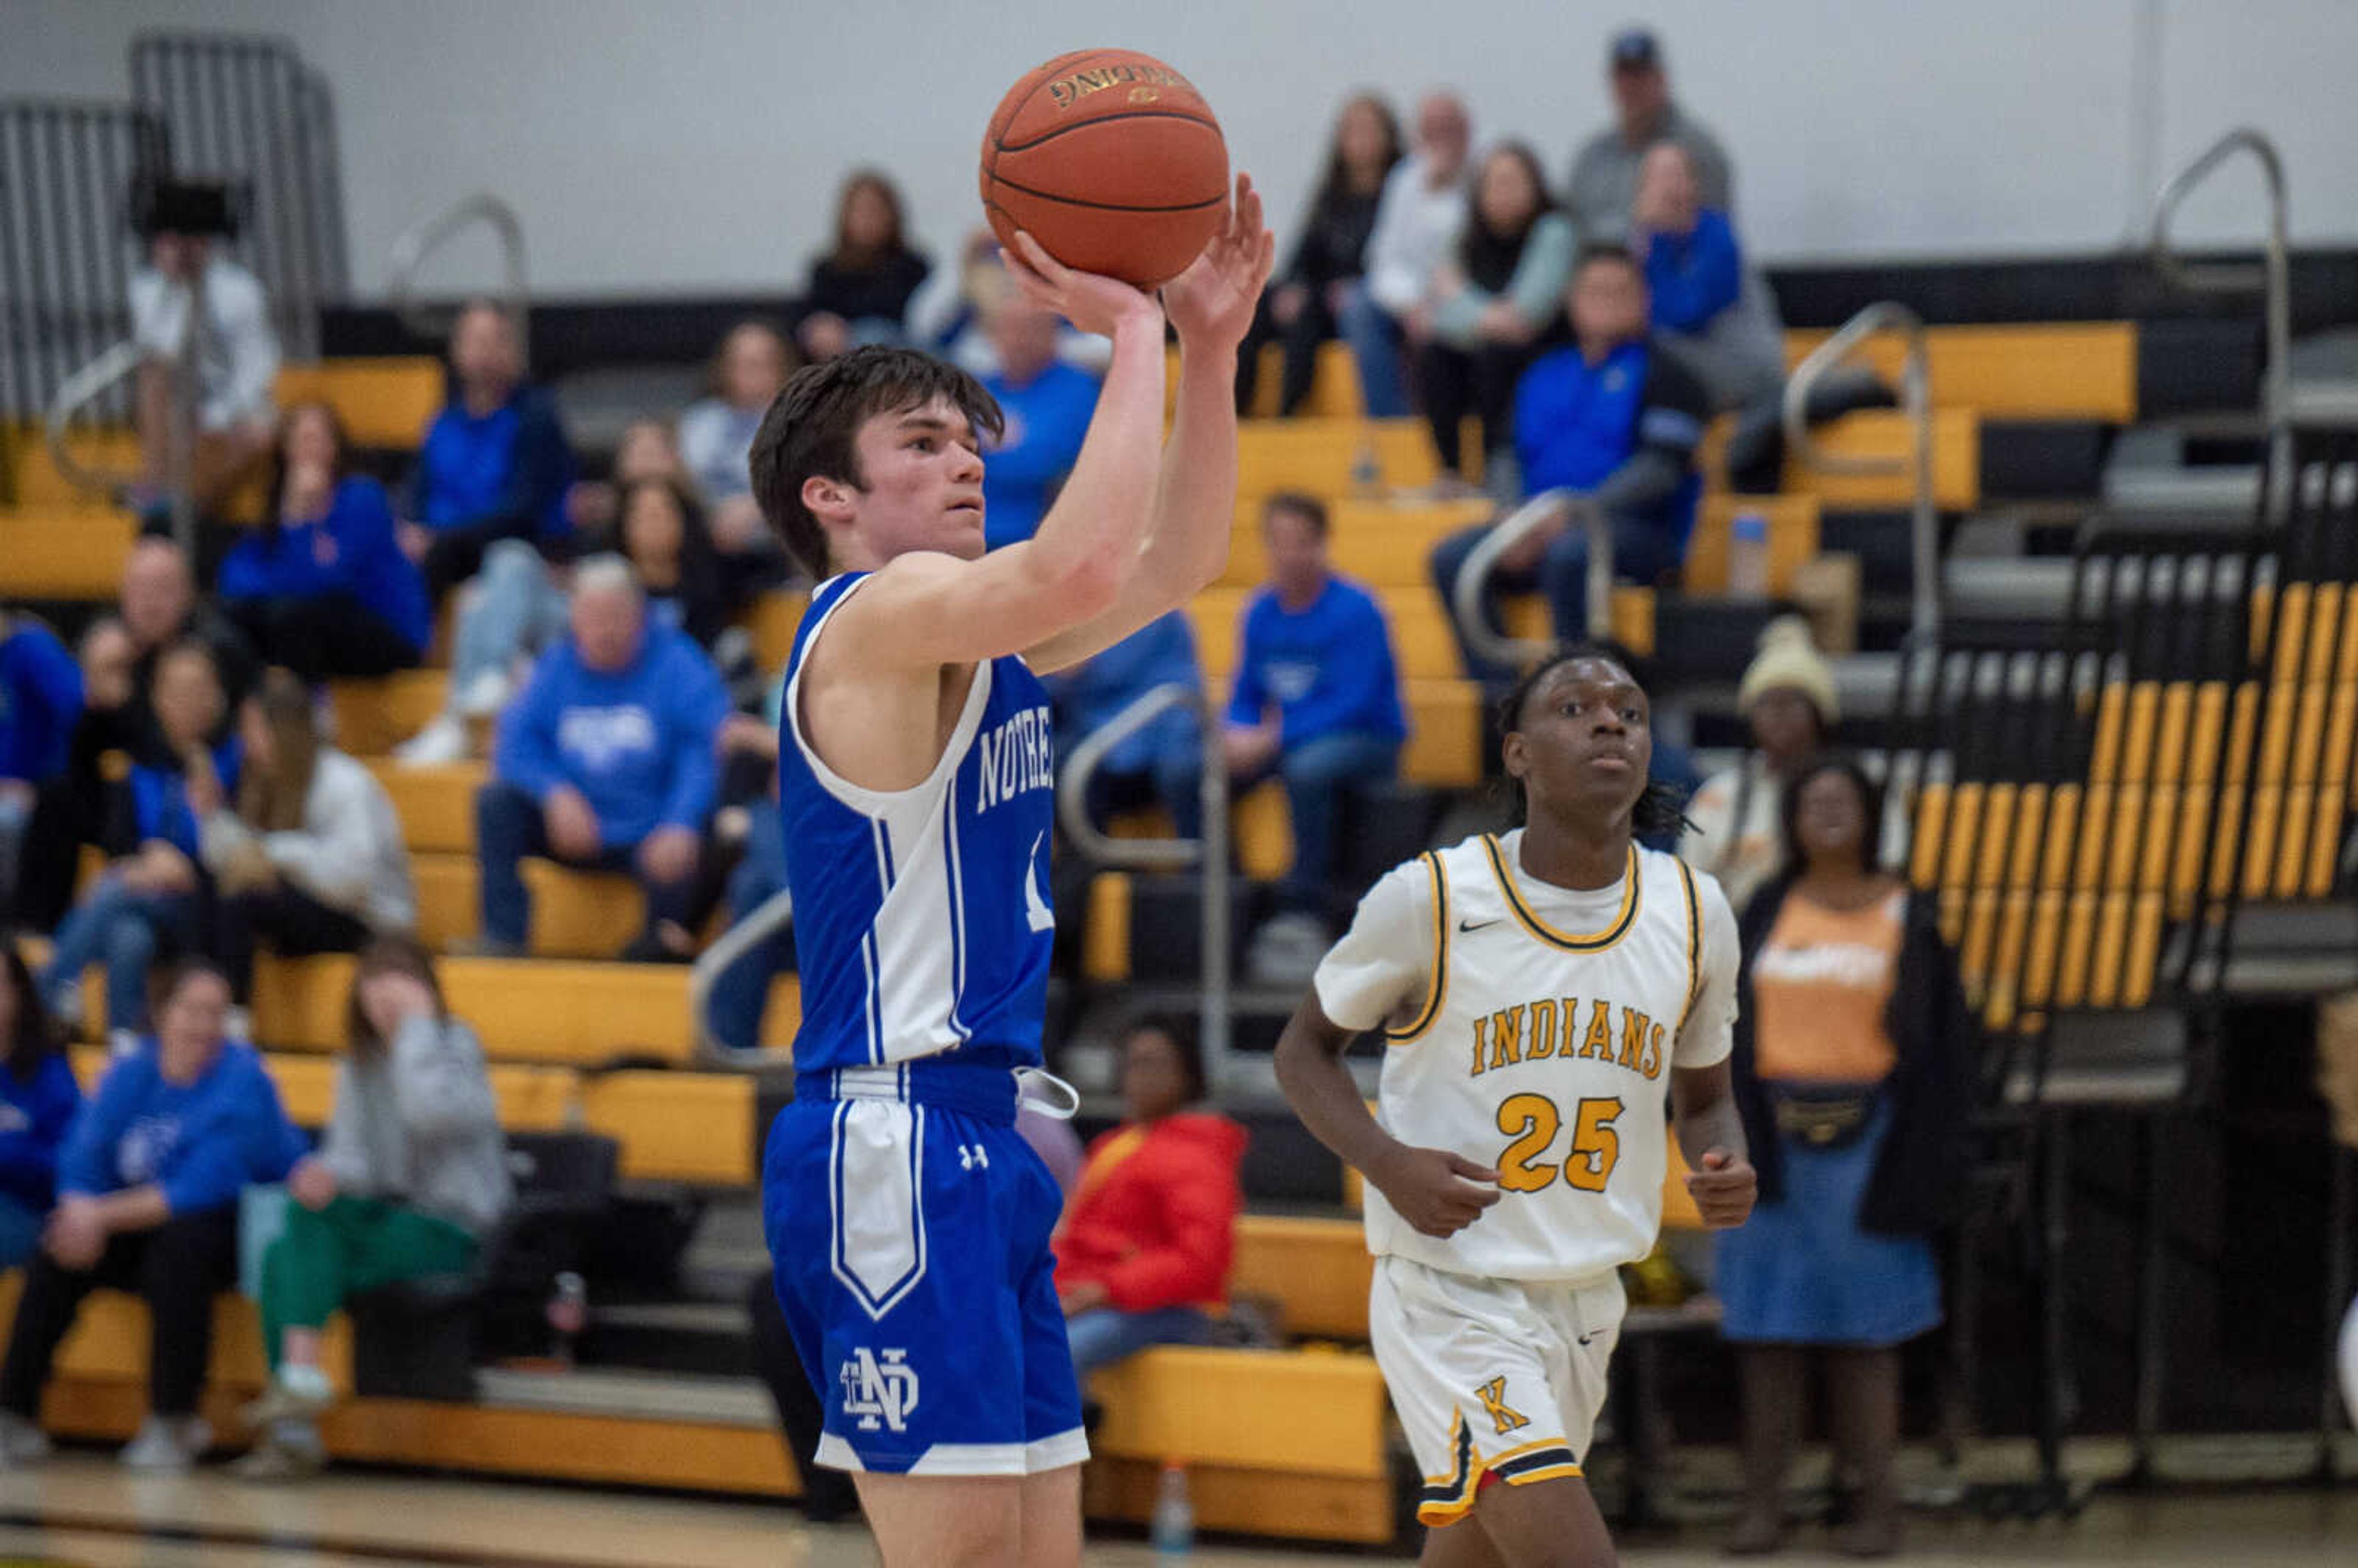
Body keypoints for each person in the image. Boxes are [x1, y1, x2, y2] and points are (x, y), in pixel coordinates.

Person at [745, 172, 1270, 1566]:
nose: (970, 456)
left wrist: (1209, 350)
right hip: (893, 1140)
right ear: (831, 496)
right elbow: (1090, 557)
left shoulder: (971, 645)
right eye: (925, 441)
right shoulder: (868, 618)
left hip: (981, 1134)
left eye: (972, 435)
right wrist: (1134, 330)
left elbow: (1174, 557)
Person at [1273, 645, 1756, 1567]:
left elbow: (1707, 1097)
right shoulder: (1434, 898)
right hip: (1451, 1289)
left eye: (1629, 710)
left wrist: (1720, 1159)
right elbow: (1303, 1052)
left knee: (1477, 1558)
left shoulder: (1695, 914)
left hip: (1586, 1293)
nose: (1610, 721)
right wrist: (1388, 1162)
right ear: (1518, 753)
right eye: (1575, 707)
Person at [1719, 756, 1974, 1558]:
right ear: (1791, 819)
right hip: (1770, 1143)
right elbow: (1722, 1023)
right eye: (1812, 801)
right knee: (1767, 1332)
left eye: (1844, 801)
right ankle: (1764, 1508)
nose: (1827, 813)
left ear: (1870, 814)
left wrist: (1929, 1156)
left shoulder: (1913, 912)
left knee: (1867, 1339)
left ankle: (1880, 1511)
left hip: (1875, 1144)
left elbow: (1948, 1048)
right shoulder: (1767, 904)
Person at [0, 958, 305, 1473]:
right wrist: (78, 1208)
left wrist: (97, 1217)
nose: (205, 1026)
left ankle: (173, 1420)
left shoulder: (243, 1078)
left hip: (236, 1226)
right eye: (193, 1011)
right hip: (137, 1219)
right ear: (163, 1014)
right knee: (58, 1246)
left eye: (217, 1014)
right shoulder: (133, 1070)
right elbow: (83, 1153)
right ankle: (14, 1415)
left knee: (181, 1244)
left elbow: (197, 1189)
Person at [238, 936, 513, 1480]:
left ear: (426, 992)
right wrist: (328, 1174)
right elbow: (353, 1159)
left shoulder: (457, 1046)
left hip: (451, 1226)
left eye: (399, 985)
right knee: (289, 1240)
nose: (384, 997)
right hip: (383, 1219)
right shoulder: (358, 1064)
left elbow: (428, 1115)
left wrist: (416, 1031)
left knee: (293, 1250)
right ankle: (298, 1398)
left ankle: (295, 1414)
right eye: (374, 984)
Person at [1429, 246, 1713, 688]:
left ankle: (1575, 693)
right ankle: (1500, 697)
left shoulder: (1671, 375)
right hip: (1535, 522)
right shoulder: (1541, 372)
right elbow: (1505, 455)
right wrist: (1512, 517)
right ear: (1572, 300)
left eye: (1620, 291)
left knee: (1570, 555)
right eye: (1594, 290)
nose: (1606, 300)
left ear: (1644, 299)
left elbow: (1660, 470)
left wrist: (1571, 515)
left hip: (1629, 531)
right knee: (1453, 557)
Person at [474, 556, 731, 962]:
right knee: (495, 803)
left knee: (713, 834)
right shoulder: (556, 664)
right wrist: (555, 793)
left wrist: (680, 820)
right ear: (573, 617)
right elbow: (515, 743)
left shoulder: (679, 662)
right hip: (576, 829)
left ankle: (653, 957)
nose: (604, 631)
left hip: (654, 833)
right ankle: (503, 939)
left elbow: (705, 748)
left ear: (640, 616)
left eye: (615, 616)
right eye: (592, 617)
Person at [9, 542, 254, 933]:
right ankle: (34, 933)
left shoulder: (214, 650)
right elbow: (81, 757)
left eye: (163, 588)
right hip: (138, 797)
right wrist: (93, 702)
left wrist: (130, 705)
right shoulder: (115, 647)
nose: (150, 602)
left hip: (203, 800)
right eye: (140, 589)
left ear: (187, 594)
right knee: (57, 796)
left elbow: (191, 747)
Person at [1225, 492, 1406, 941]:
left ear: (1322, 544)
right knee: (1192, 769)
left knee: (1308, 768)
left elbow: (1355, 701)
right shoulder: (1260, 610)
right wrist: (1235, 732)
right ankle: (1222, 898)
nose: (1288, 554)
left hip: (1366, 737)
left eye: (1299, 541)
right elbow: (1246, 691)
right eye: (1278, 542)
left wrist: (1273, 739)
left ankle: (1305, 906)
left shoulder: (1357, 609)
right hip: (1287, 736)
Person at [39, 641, 235, 1047]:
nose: (186, 702)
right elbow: (117, 847)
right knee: (130, 937)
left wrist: (185, 866)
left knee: (113, 891)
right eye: (176, 691)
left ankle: (49, 987)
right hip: (143, 905)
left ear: (216, 696)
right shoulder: (140, 767)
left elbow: (243, 853)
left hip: (208, 909)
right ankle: (124, 1044)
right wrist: (150, 866)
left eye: (197, 690)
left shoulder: (236, 761)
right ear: (159, 699)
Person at [198, 669, 416, 1010]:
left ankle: (234, 1022)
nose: (245, 742)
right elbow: (236, 857)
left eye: (253, 730)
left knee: (243, 904)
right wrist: (210, 814)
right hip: (316, 912)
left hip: (373, 925)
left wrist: (277, 856)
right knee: (210, 896)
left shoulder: (344, 783)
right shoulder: (265, 782)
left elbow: (353, 881)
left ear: (283, 730)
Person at [1056, 1016, 1245, 1379]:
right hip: (1099, 1297)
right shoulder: (1113, 1145)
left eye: (1153, 1063)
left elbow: (1200, 1262)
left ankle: (1066, 1430)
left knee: (1060, 1348)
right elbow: (1079, 1238)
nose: (1139, 1075)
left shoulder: (1198, 1152)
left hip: (1170, 1309)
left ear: (1187, 1073)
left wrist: (1106, 1290)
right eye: (1132, 1063)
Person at [217, 403, 432, 681]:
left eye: (318, 438)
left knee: (291, 616)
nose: (310, 449)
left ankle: (310, 713)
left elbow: (326, 582)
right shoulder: (275, 505)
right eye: (301, 439)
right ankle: (254, 712)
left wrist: (299, 519)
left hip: (386, 630)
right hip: (316, 622)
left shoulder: (362, 498)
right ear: (285, 450)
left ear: (336, 447)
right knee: (235, 616)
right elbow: (234, 577)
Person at [1417, 143, 1577, 491]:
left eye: (1513, 181)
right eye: (1494, 183)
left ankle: (1496, 474)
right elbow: (1435, 318)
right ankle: (1451, 472)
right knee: (1434, 353)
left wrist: (1461, 298)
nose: (1503, 192)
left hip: (1545, 352)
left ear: (1535, 186)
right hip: (1483, 348)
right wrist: (1491, 317)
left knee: (1495, 355)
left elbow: (1527, 317)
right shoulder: (1464, 238)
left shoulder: (1554, 232)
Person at [400, 301, 579, 602]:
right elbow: (417, 492)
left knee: (496, 563)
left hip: (506, 550)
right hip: (438, 550)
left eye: (498, 340)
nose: (487, 352)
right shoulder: (442, 422)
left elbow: (522, 508)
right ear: (456, 350)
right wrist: (411, 531)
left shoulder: (536, 417)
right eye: (477, 341)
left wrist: (443, 537)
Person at [1631, 142, 1788, 487]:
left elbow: (1684, 312)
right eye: (1657, 177)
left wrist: (1652, 245)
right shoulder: (1631, 245)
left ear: (1694, 185)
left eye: (1675, 175)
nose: (1667, 187)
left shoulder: (1718, 237)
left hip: (1739, 367)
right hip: (1680, 369)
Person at [1240, 92, 1402, 416]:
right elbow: (1304, 254)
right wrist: (1292, 287)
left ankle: (1289, 411)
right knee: (1255, 300)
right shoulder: (1330, 194)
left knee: (1308, 315)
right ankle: (1236, 406)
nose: (1360, 140)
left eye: (1369, 130)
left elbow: (1392, 258)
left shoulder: (1400, 191)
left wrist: (1337, 290)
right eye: (1351, 130)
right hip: (1316, 291)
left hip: (1354, 298)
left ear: (1389, 136)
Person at [127, 181, 279, 516]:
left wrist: (219, 417)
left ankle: (186, 505)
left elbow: (257, 371)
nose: (175, 249)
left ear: (203, 241)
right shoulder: (147, 291)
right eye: (166, 240)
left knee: (259, 431)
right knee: (153, 377)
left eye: (183, 239)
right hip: (180, 417)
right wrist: (175, 291)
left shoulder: (240, 290)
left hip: (233, 412)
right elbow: (160, 359)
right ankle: (161, 488)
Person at [1683, 618, 1842, 916]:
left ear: (1820, 714)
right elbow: (1689, 898)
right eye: (1767, 703)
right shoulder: (1718, 797)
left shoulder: (1855, 791)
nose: (1779, 713)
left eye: (1793, 701)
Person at [1340, 92, 1472, 419]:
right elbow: (1383, 259)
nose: (1441, 138)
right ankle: (1391, 423)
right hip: (1410, 300)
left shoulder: (1484, 173)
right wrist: (1411, 305)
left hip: (1467, 294)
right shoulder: (1405, 180)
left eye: (1449, 128)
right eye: (1432, 129)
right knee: (1359, 306)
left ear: (1467, 130)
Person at [1565, 28, 1735, 247]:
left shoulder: (1699, 150)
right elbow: (1573, 228)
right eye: (1624, 76)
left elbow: (1713, 232)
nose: (1632, 87)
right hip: (1601, 273)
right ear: (1611, 82)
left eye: (1641, 75)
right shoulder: (1590, 157)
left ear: (1661, 79)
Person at [1043, 611, 1204, 837]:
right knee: (1049, 761)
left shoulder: (1155, 610)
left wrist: (1068, 665)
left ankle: (1199, 868)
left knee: (1183, 772)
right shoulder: (1082, 611)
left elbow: (1103, 671)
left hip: (1157, 735)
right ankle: (1082, 863)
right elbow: (1047, 687)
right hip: (1096, 737)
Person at [978, 295, 1102, 552]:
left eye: (1031, 328)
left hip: (1034, 538)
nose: (1018, 339)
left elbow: (1045, 461)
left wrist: (984, 454)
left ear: (1054, 333)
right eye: (1008, 328)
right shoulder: (981, 388)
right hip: (967, 535)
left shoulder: (1077, 388)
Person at [677, 320, 799, 565]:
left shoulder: (802, 422)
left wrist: (757, 512)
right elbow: (682, 485)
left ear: (783, 367)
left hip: (782, 550)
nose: (750, 373)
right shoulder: (699, 422)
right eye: (741, 363)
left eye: (760, 363)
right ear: (724, 368)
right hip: (705, 545)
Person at [798, 171, 932, 363]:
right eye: (860, 211)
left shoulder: (914, 266)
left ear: (892, 216)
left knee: (872, 333)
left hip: (902, 361)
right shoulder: (826, 269)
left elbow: (917, 323)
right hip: (839, 360)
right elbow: (808, 316)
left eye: (875, 211)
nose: (867, 220)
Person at [0, 949, 78, 1271]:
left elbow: (70, 1160)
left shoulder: (50, 1072)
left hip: (28, 1213)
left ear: (19, 994)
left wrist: (7, 1153)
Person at [0, 615, 83, 913]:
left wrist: (41, 785)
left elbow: (76, 709)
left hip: (32, 790)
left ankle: (11, 934)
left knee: (6, 821)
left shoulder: (32, 648)